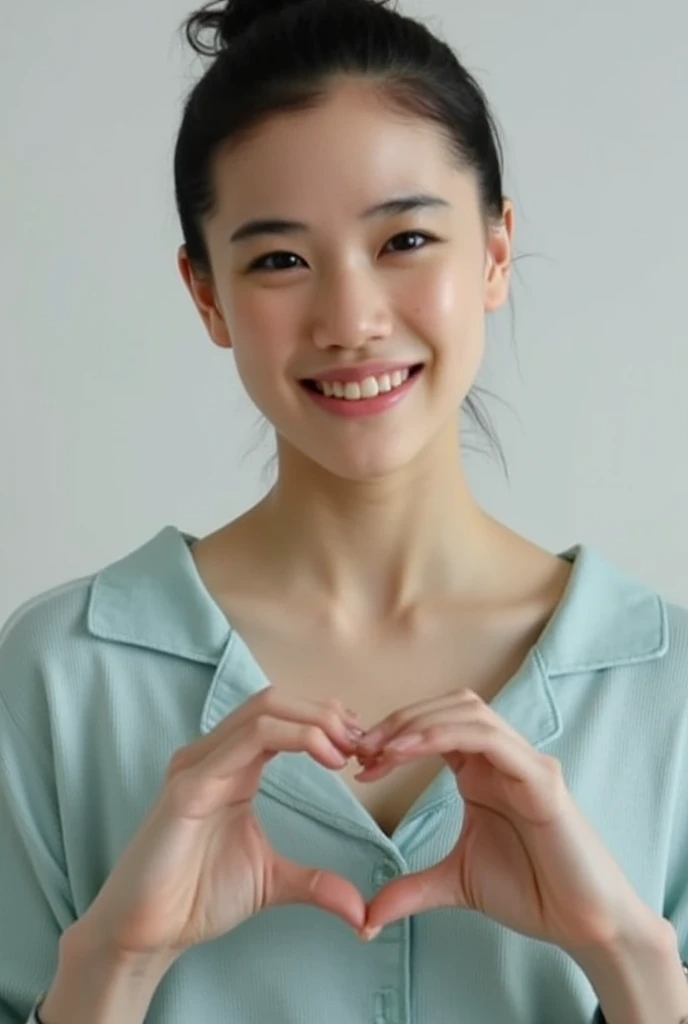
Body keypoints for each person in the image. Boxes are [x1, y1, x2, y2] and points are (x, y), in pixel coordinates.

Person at [1, 0, 688, 1021]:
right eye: (279, 259)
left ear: (496, 251)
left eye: (405, 237)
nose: (351, 319)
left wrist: (626, 955)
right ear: (205, 295)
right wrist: (115, 961)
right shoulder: (60, 675)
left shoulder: (664, 687)